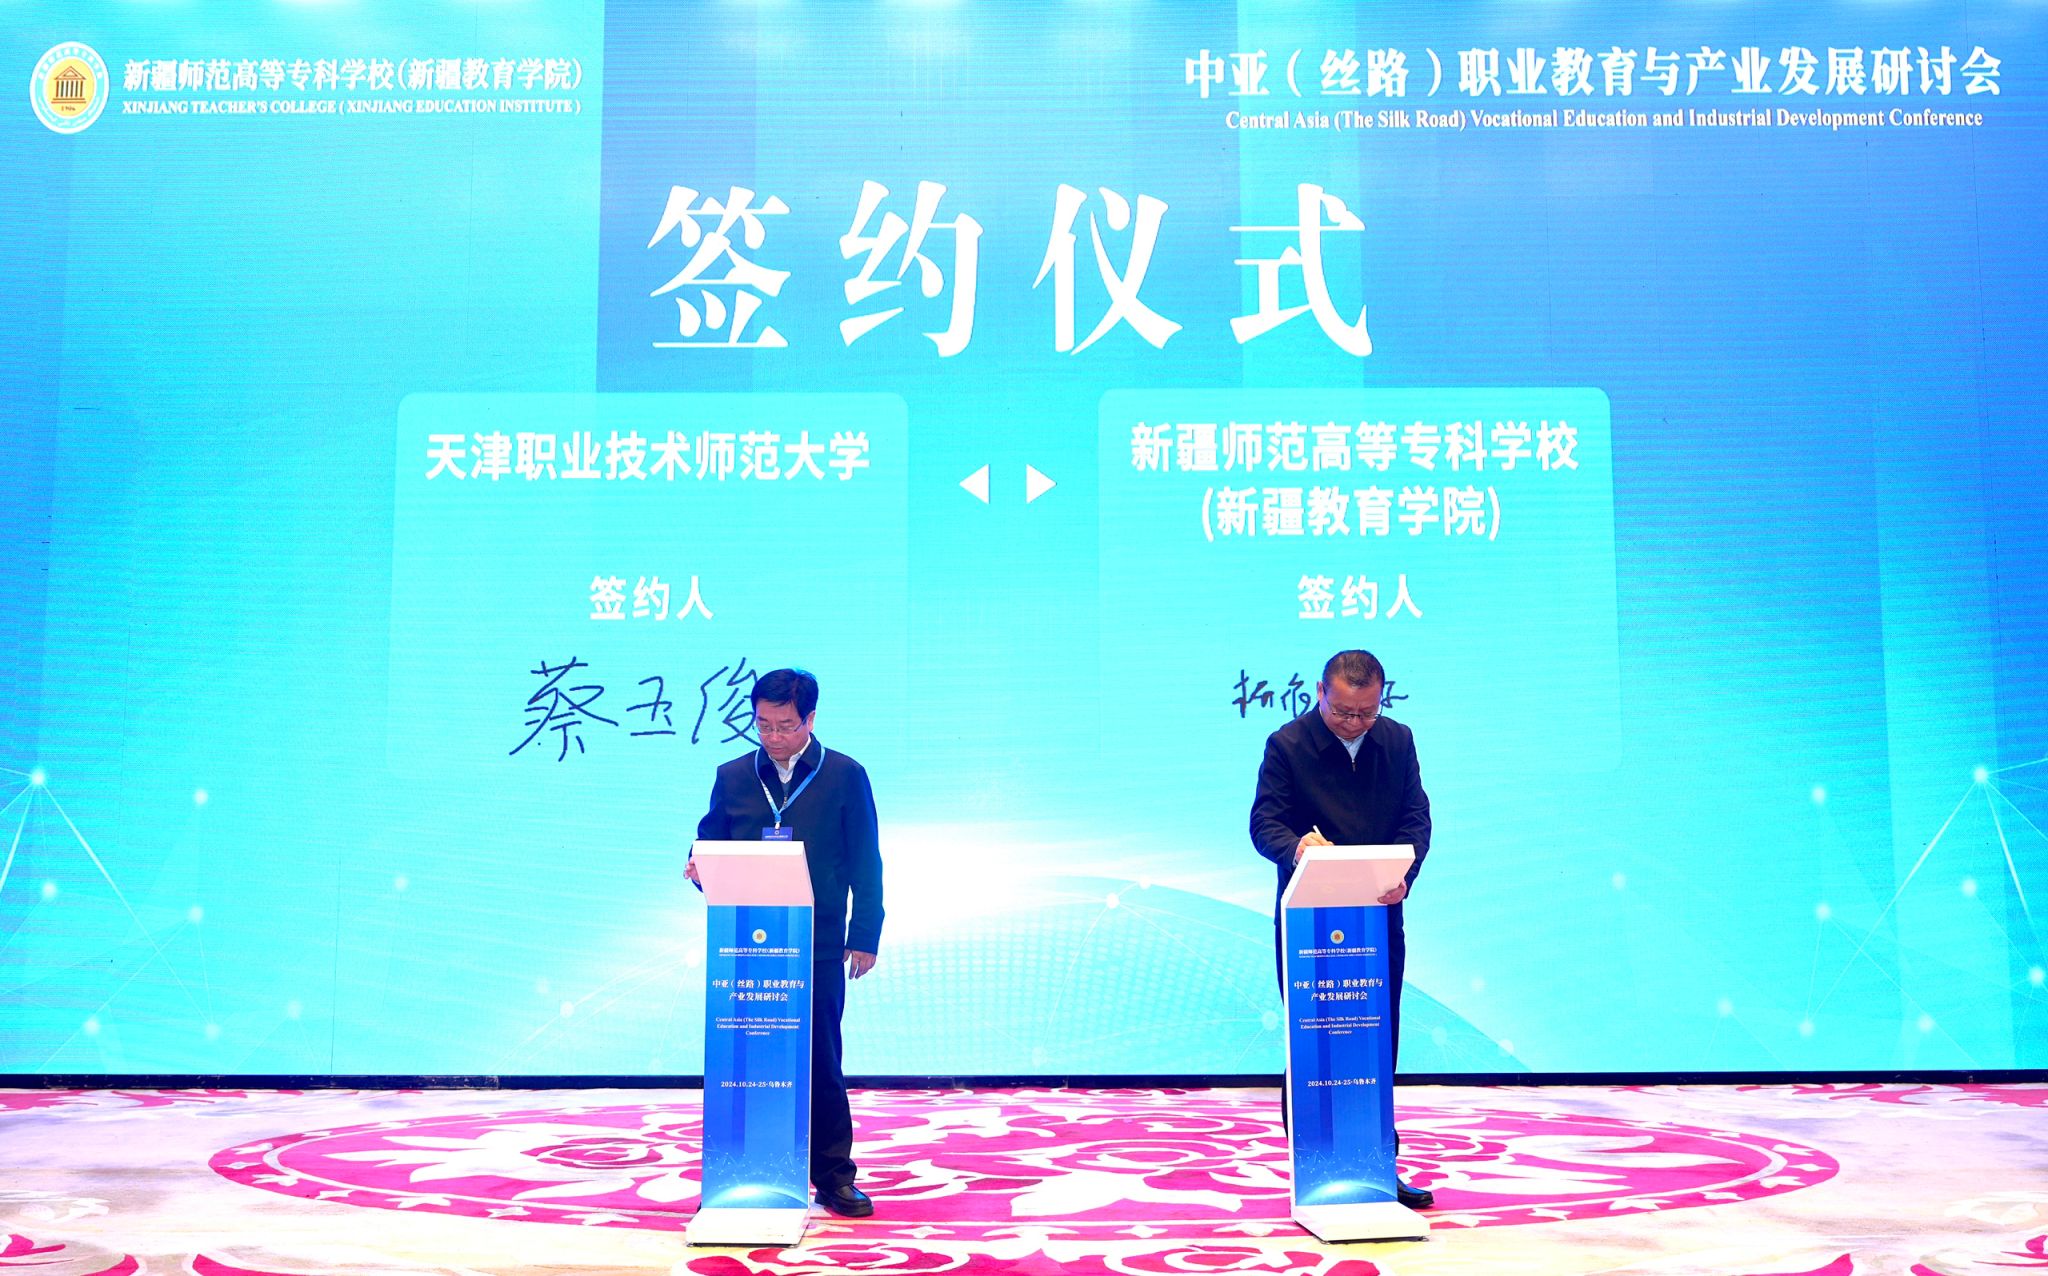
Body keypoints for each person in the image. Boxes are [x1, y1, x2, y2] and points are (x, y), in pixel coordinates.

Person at [689, 668, 885, 1218]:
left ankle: (834, 1177)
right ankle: (742, 1173)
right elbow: (708, 844)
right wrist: (697, 867)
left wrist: (864, 934)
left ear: (810, 719)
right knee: (744, 1061)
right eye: (763, 725)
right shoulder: (733, 776)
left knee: (821, 1062)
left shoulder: (845, 775)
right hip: (745, 948)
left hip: (817, 946)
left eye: (785, 726)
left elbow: (866, 861)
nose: (773, 736)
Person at [1249, 649, 1434, 1211]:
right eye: (1344, 712)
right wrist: (1296, 847)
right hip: (1309, 920)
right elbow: (1264, 823)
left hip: (1377, 916)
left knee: (1376, 1041)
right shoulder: (1287, 745)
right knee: (1313, 1042)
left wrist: (1405, 873)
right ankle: (1313, 1170)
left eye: (1367, 713)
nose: (1355, 723)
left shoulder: (1397, 741)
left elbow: (1416, 818)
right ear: (1320, 694)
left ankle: (1377, 1168)